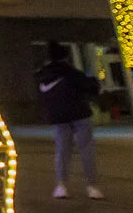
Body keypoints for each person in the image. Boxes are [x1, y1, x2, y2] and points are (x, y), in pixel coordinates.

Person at [36, 42, 105, 199]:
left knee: (62, 150)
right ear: (66, 56)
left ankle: (62, 185)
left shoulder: (43, 75)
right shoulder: (71, 72)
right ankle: (91, 186)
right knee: (86, 149)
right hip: (79, 114)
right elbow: (90, 87)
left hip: (58, 117)